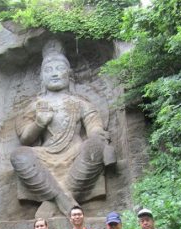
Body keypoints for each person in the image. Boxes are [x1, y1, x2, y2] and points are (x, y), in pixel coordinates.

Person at [10, 38, 116, 217]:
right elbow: (25, 138)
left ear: (70, 74)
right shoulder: (35, 105)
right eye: (48, 70)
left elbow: (94, 127)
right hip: (46, 154)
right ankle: (66, 200)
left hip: (75, 152)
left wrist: (99, 137)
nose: (54, 74)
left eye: (59, 69)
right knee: (19, 155)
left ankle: (55, 200)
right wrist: (39, 123)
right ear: (41, 77)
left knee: (94, 146)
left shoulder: (80, 102)